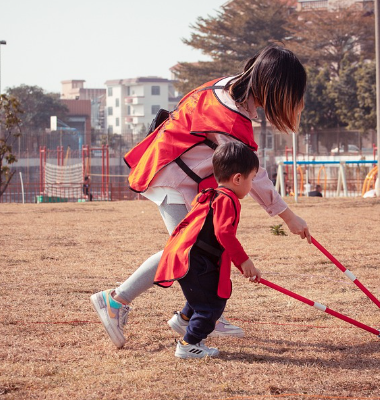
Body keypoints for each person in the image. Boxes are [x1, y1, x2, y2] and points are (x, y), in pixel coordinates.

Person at [91, 44, 311, 349]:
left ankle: (191, 316)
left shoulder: (227, 87)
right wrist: (290, 217)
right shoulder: (231, 121)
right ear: (275, 87)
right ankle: (115, 301)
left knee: (207, 247)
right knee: (186, 249)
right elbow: (253, 175)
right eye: (290, 93)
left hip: (178, 172)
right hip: (171, 176)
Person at [155, 142, 261, 358]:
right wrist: (244, 261)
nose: (251, 185)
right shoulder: (227, 200)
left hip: (191, 257)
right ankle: (188, 344)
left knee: (204, 294)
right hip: (195, 260)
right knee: (211, 306)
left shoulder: (211, 194)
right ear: (238, 178)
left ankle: (183, 320)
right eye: (252, 179)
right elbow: (224, 233)